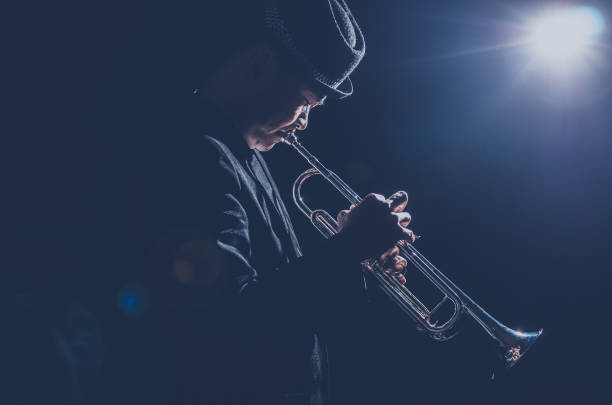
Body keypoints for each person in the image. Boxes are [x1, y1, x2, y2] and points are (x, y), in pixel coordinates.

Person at [136, 1, 416, 404]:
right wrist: (347, 249)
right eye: (304, 102)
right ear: (259, 65)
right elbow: (224, 328)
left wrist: (356, 259)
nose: (303, 122)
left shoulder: (243, 156)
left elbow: (283, 305)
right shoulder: (195, 154)